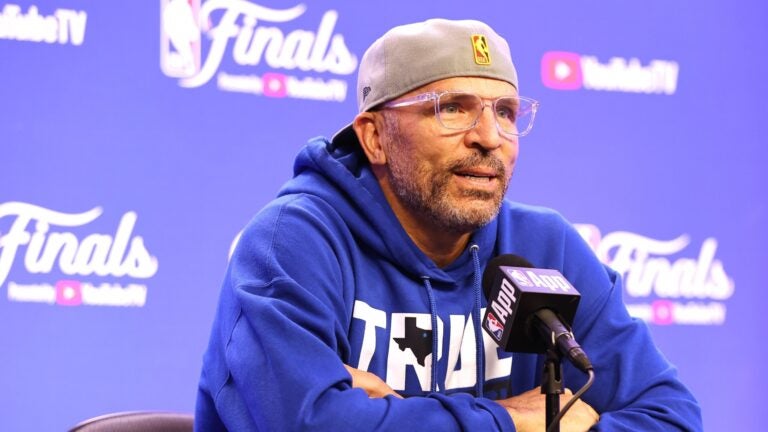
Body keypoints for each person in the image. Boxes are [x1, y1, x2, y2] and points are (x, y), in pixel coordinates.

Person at [195, 18, 702, 431]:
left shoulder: (547, 247)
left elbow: (671, 419)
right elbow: (308, 425)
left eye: (505, 112)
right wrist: (511, 421)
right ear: (374, 138)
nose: (488, 137)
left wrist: (388, 417)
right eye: (452, 109)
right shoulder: (293, 244)